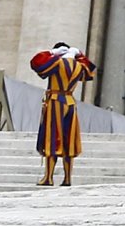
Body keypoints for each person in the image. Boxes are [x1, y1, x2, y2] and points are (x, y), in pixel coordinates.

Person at [32, 42, 88, 187]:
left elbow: (37, 65)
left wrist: (51, 53)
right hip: (71, 102)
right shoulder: (78, 65)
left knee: (52, 138)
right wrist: (80, 55)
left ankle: (48, 178)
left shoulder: (57, 63)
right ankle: (67, 178)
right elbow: (90, 72)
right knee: (69, 141)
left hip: (56, 100)